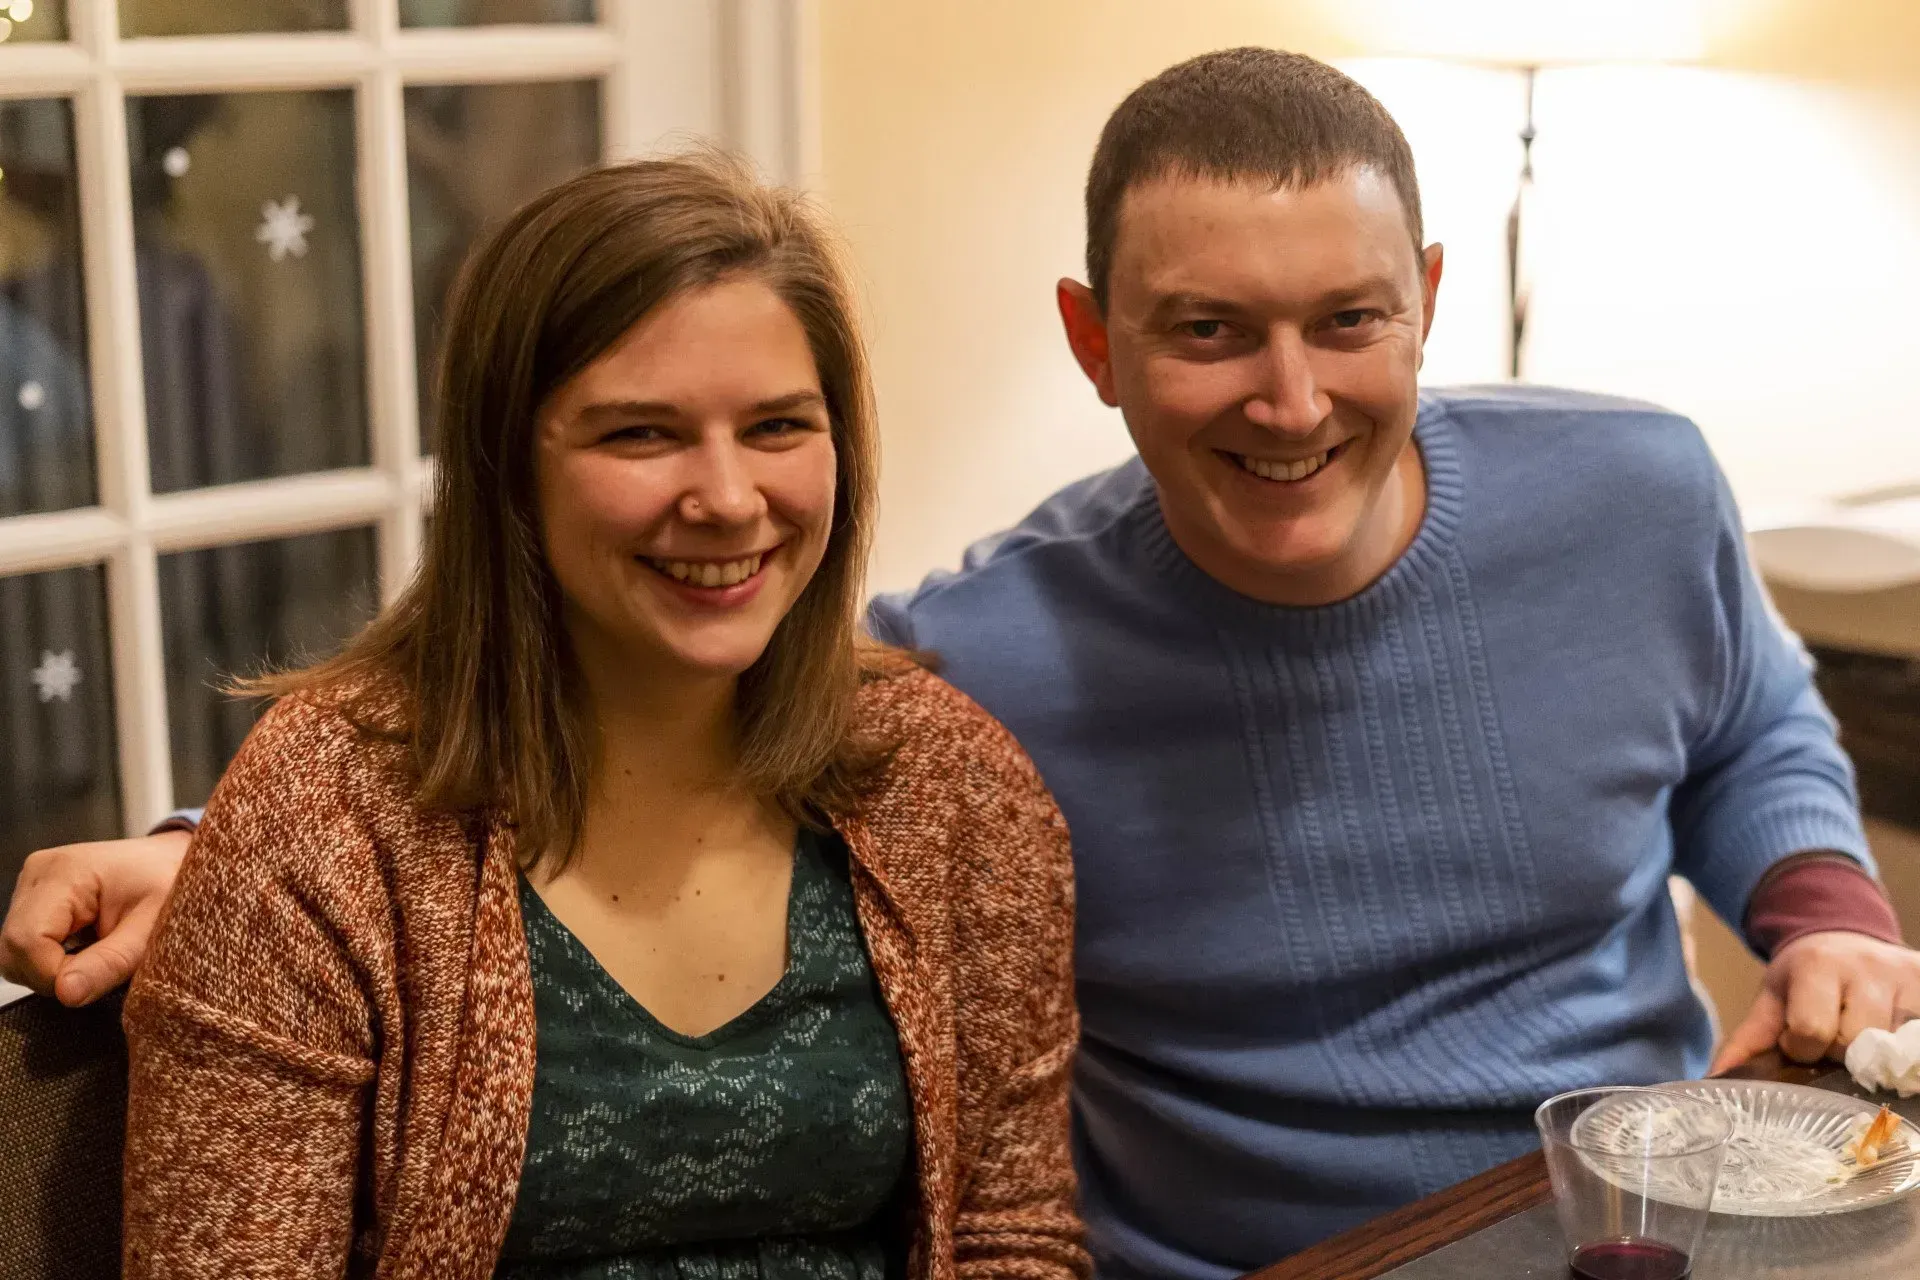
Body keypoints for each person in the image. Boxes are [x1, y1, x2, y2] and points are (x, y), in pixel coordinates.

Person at [6, 46, 1919, 1280]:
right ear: (1094, 342)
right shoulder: (981, 663)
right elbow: (620, 712)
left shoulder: (1640, 486)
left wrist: (1820, 898)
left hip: (1637, 1220)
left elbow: (1750, 718)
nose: (1290, 398)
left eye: (1351, 320)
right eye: (1205, 332)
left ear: (1430, 300)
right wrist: (232, 834)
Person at [97, 152, 1087, 1279]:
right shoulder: (327, 810)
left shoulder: (949, 779)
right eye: (639, 435)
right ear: (508, 468)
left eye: (776, 427)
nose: (725, 497)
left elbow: (1014, 1236)